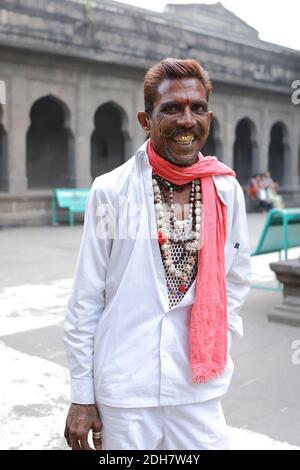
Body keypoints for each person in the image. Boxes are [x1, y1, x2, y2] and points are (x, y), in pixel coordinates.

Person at [64, 58, 251, 451]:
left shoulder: (225, 189)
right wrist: (82, 394)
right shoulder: (111, 191)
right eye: (171, 108)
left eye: (197, 108)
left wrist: (216, 337)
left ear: (209, 116)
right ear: (145, 121)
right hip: (126, 389)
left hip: (197, 386)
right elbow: (85, 299)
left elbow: (236, 277)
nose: (187, 120)